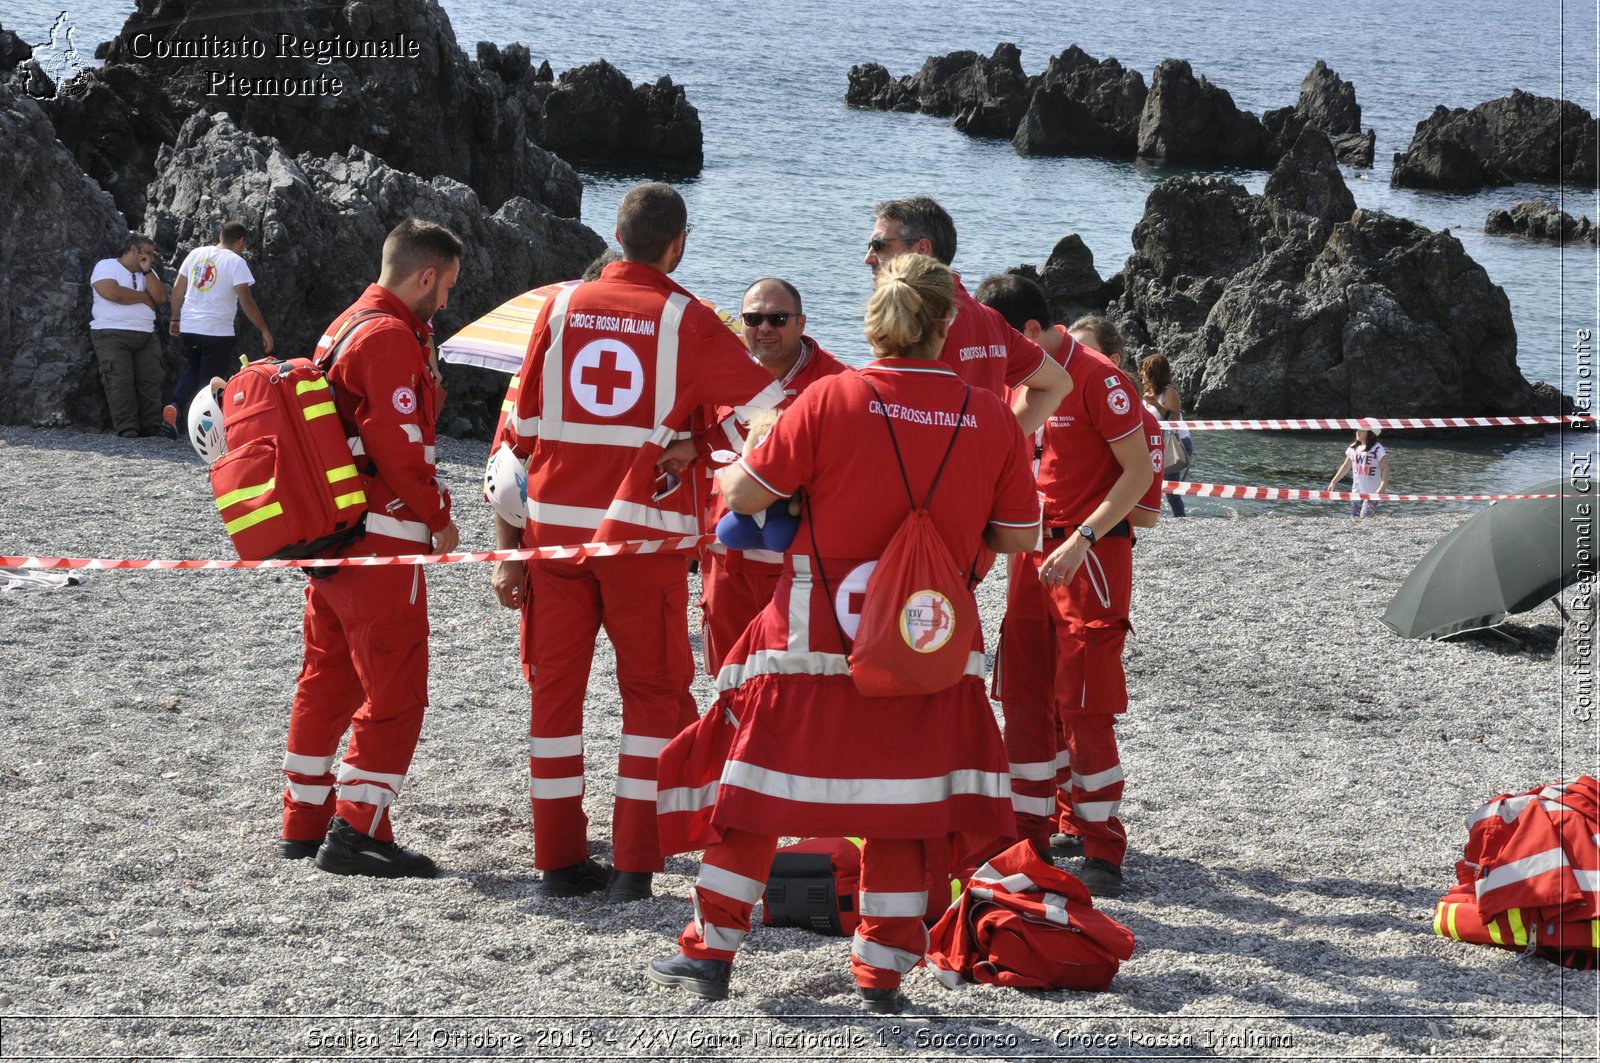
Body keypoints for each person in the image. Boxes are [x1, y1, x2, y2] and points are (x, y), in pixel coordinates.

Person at [646, 253, 1040, 1011]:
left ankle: (710, 952)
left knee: (753, 792)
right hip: (928, 642)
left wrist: (756, 437)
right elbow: (1019, 535)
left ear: (878, 321)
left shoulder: (830, 398)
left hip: (813, 638)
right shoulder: (989, 414)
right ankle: (882, 970)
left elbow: (746, 491)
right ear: (947, 325)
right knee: (906, 806)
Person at [491, 183, 786, 904]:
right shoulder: (687, 318)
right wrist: (697, 440)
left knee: (553, 699)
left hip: (555, 539)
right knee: (651, 699)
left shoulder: (558, 307)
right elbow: (771, 414)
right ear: (677, 243)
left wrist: (510, 539)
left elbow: (520, 432)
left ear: (617, 237)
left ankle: (558, 860)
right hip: (642, 543)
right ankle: (633, 864)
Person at [278, 217, 463, 878]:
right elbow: (398, 442)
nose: (444, 304)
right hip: (381, 541)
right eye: (444, 290)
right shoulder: (388, 338)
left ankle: (302, 820)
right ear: (425, 275)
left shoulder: (345, 324)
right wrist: (440, 514)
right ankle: (358, 830)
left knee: (327, 679)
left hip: (333, 539)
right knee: (397, 688)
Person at [972, 273, 1153, 898]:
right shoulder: (1011, 376)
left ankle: (1103, 845)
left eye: (992, 338)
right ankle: (1029, 835)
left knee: (1085, 702)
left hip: (1091, 554)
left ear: (1025, 333)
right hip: (1029, 548)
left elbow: (1137, 474)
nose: (985, 351)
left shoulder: (1100, 376)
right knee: (1021, 690)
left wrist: (1085, 540)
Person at [695, 278, 849, 673]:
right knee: (729, 677)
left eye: (778, 319)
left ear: (801, 323)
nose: (764, 328)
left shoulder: (840, 384)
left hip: (800, 561)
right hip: (726, 555)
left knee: (794, 680)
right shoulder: (716, 375)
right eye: (753, 318)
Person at [864, 197, 1070, 435]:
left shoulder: (922, 321)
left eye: (879, 246)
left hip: (926, 467)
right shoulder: (989, 319)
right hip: (972, 466)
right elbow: (1057, 383)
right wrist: (999, 445)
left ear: (922, 249)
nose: (869, 257)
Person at [163, 221, 274, 436]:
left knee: (194, 370)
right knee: (211, 383)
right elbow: (246, 301)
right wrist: (264, 329)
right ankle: (207, 431)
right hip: (217, 331)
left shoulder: (196, 253)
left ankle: (175, 406)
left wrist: (175, 318)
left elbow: (178, 287)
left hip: (190, 327)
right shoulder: (235, 262)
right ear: (240, 241)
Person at [89, 233, 168, 438]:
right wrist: (144, 298)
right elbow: (113, 294)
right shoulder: (106, 266)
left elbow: (160, 297)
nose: (152, 257)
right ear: (134, 250)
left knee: (150, 380)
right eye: (148, 254)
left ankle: (152, 426)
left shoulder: (148, 273)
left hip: (146, 335)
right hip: (111, 333)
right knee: (119, 380)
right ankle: (127, 427)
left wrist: (147, 270)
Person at [1139, 353, 1190, 517]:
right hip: (1155, 444)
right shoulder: (1148, 392)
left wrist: (1155, 404)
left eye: (1144, 370)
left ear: (1153, 372)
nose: (1141, 373)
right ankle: (1155, 514)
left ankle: (1179, 518)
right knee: (1151, 482)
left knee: (1170, 489)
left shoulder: (1169, 392)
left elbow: (1174, 419)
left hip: (1174, 444)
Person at [1328, 427, 1389, 517]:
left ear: (1370, 433)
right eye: (1357, 430)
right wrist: (1334, 481)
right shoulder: (1353, 448)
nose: (1358, 432)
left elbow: (1386, 469)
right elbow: (1345, 467)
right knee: (1355, 518)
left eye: (1361, 430)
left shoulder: (1377, 448)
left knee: (1364, 517)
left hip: (1373, 493)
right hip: (1356, 491)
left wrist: (1382, 488)